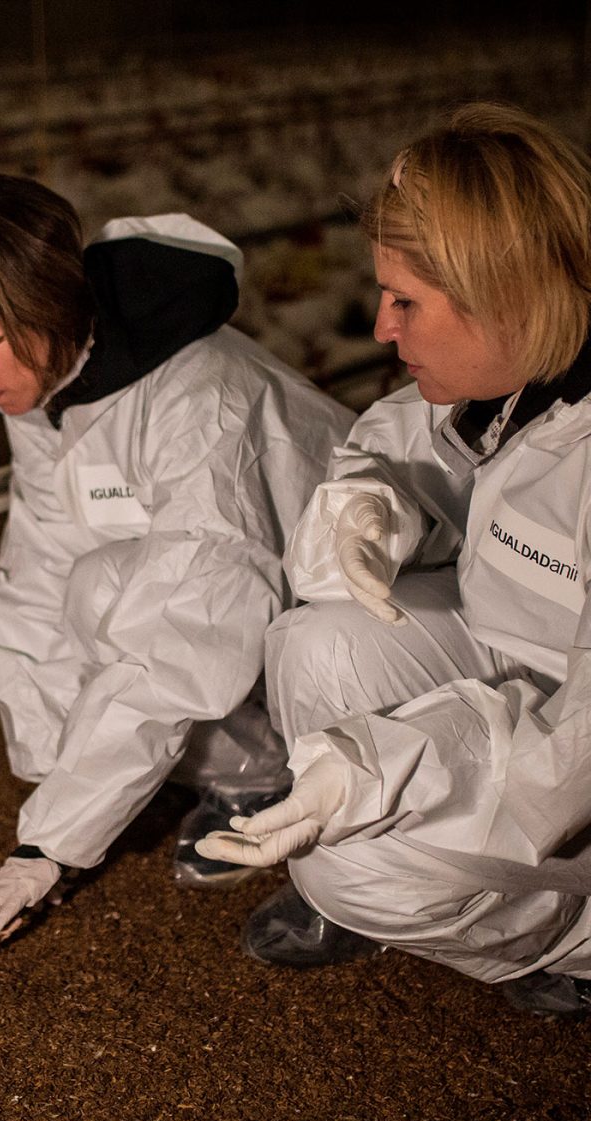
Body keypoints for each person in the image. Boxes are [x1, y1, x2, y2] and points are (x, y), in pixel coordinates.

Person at [0, 172, 353, 944]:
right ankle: (183, 775)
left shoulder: (201, 399)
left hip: (349, 639)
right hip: (235, 625)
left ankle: (305, 812)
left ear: (41, 303)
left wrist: (49, 846)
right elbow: (43, 562)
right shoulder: (52, 381)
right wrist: (68, 788)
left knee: (115, 600)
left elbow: (186, 631)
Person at [197, 102, 591, 1018]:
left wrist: (391, 765)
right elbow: (403, 445)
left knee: (355, 874)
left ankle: (566, 947)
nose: (380, 327)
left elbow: (575, 747)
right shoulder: (519, 379)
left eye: (406, 302)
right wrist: (378, 504)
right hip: (528, 682)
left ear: (509, 298)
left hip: (573, 751)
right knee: (310, 644)